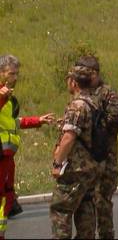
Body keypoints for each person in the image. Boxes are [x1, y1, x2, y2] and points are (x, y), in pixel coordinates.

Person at [0, 55, 54, 239]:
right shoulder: (2, 95)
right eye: (11, 73)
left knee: (6, 198)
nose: (14, 77)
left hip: (7, 158)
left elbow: (13, 123)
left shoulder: (8, 96)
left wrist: (38, 120)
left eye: (16, 74)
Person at [75, 56, 118, 239]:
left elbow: (117, 120)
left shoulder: (108, 94)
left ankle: (106, 235)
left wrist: (95, 124)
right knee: (86, 201)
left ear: (95, 73)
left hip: (106, 157)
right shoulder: (82, 93)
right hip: (86, 160)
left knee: (102, 201)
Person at [50, 65, 100, 239]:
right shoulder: (94, 102)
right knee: (86, 208)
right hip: (91, 167)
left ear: (74, 82)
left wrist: (58, 163)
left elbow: (69, 138)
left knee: (61, 209)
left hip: (75, 168)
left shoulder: (77, 106)